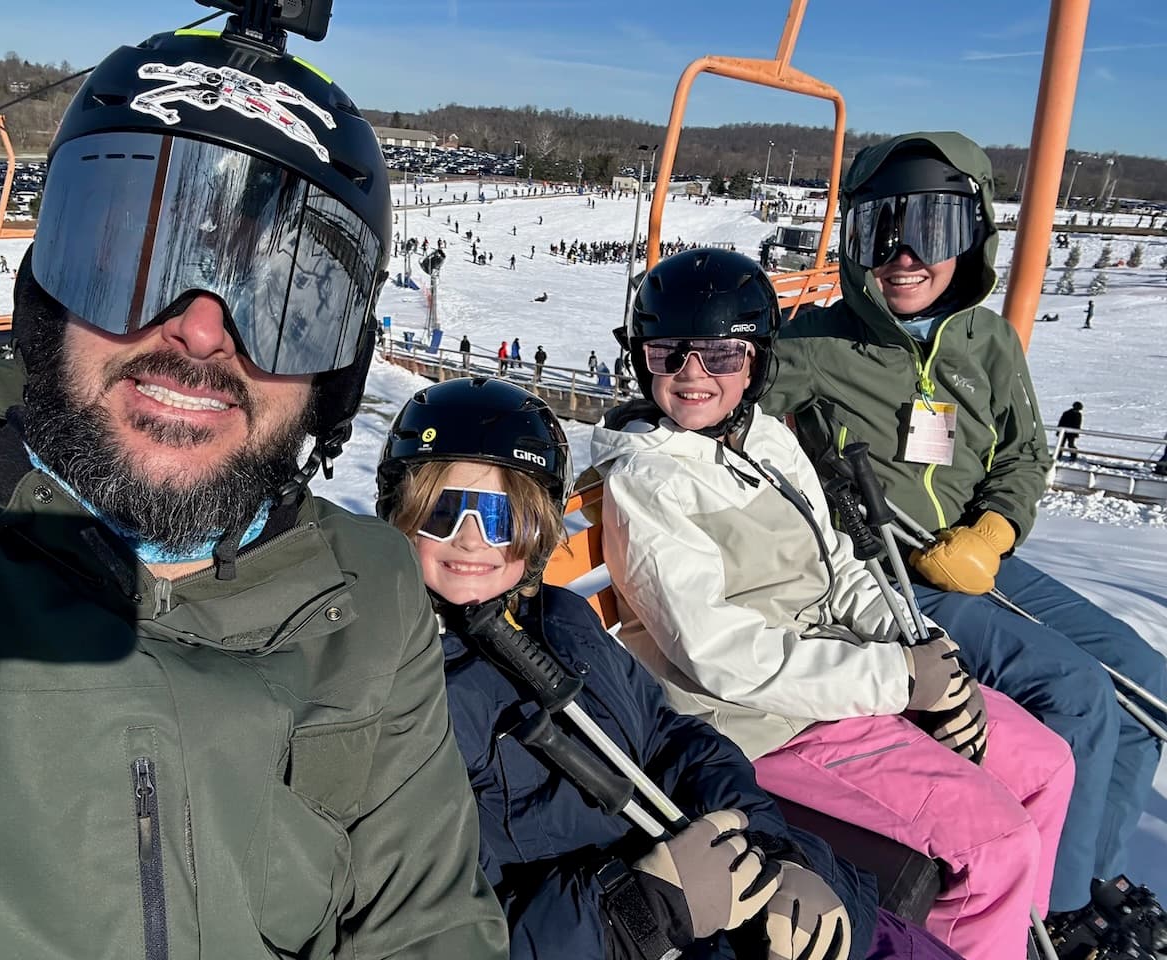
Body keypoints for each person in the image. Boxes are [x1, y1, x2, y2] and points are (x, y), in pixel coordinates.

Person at [0, 25, 507, 960]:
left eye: (284, 298)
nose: (202, 331)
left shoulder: (369, 591)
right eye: (132, 259)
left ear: (335, 373)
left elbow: (429, 924)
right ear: (47, 295)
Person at [376, 376, 965, 960]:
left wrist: (780, 852)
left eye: (504, 518)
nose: (473, 541)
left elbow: (675, 737)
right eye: (444, 513)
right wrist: (643, 908)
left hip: (729, 886)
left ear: (539, 529)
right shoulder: (404, 695)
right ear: (396, 516)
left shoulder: (558, 620)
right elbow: (449, 929)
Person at [592, 248, 1074, 960]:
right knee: (994, 842)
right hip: (761, 720)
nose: (694, 376)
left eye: (722, 355)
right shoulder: (649, 482)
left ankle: (1013, 936)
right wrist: (899, 681)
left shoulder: (766, 442)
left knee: (1046, 765)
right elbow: (721, 655)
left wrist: (924, 651)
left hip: (836, 675)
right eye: (670, 354)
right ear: (642, 360)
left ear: (755, 362)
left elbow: (839, 569)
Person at [764, 131, 1167, 952]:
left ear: (972, 237)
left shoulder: (987, 343)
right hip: (895, 576)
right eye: (882, 232)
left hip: (982, 560)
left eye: (934, 232)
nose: (905, 257)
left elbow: (1024, 453)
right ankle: (1050, 920)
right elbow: (713, 392)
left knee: (1145, 689)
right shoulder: (811, 347)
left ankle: (1080, 876)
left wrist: (995, 527)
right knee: (1079, 695)